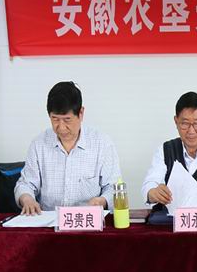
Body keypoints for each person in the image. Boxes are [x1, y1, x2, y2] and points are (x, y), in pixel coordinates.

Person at [15, 82, 121, 214]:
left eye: (67, 119)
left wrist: (102, 201)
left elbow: (114, 187)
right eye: (55, 119)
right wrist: (27, 199)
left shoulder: (102, 144)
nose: (61, 127)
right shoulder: (38, 144)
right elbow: (26, 184)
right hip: (50, 221)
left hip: (87, 220)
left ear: (81, 113)